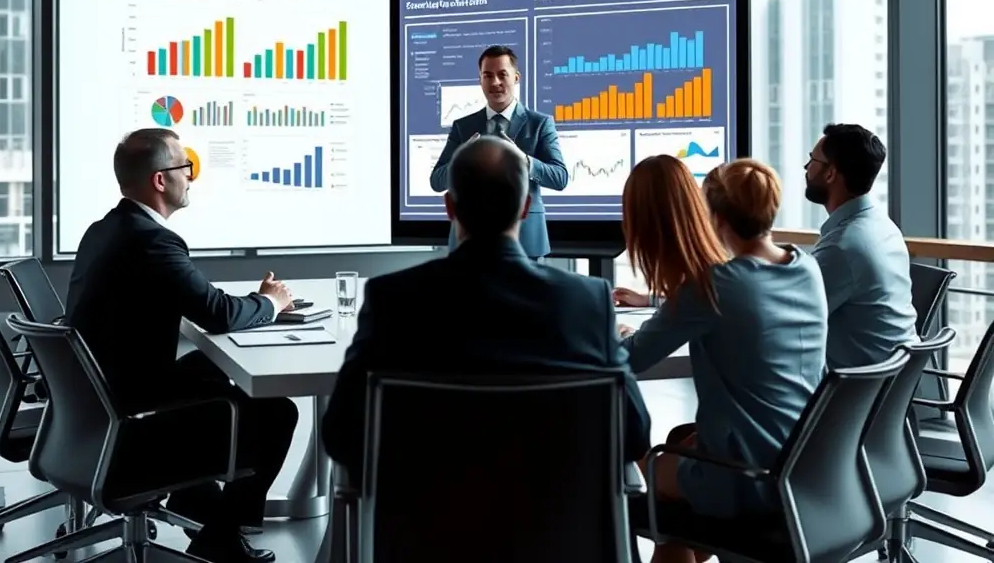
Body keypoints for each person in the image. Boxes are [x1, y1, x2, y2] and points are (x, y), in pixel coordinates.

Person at [324, 135, 651, 488]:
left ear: (449, 207)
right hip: (555, 534)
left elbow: (341, 435)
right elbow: (633, 435)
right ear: (526, 207)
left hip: (425, 535)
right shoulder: (586, 302)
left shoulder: (392, 299)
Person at [66, 128, 299, 563]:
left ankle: (195, 501)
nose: (192, 176)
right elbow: (218, 313)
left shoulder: (107, 228)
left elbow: (202, 302)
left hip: (94, 402)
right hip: (128, 419)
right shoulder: (151, 240)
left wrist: (255, 304)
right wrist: (270, 302)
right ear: (160, 179)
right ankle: (221, 535)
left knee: (204, 369)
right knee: (278, 413)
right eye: (185, 166)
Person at [618, 157, 827, 563]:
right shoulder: (806, 266)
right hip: (805, 458)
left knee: (646, 469)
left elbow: (634, 358)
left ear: (714, 216)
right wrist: (662, 302)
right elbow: (745, 304)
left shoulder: (714, 287)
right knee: (681, 444)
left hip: (752, 475)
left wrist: (617, 335)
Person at [429, 45, 569, 260]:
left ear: (516, 77)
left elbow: (559, 178)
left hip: (526, 242)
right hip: (468, 245)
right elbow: (437, 181)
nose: (495, 82)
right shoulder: (462, 126)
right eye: (488, 75)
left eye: (502, 74)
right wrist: (462, 159)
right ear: (480, 80)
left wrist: (523, 160)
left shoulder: (540, 124)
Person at [804, 123, 917, 367]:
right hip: (886, 386)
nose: (807, 168)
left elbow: (793, 318)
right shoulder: (883, 227)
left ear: (830, 173)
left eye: (812, 160)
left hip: (851, 394)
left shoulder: (843, 247)